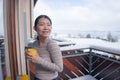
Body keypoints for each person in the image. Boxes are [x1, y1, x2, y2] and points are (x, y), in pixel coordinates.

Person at [27, 15, 63, 80]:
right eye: (41, 24)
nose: (46, 27)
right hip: (37, 78)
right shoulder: (33, 45)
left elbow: (59, 68)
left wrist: (39, 60)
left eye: (48, 25)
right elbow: (36, 63)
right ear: (35, 28)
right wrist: (29, 58)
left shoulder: (52, 44)